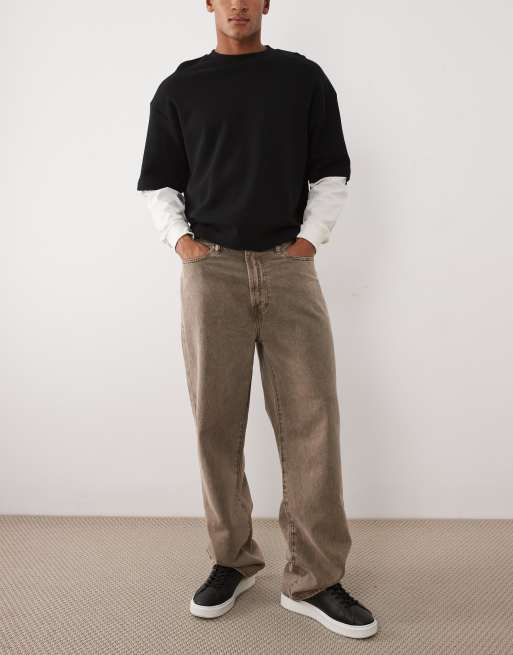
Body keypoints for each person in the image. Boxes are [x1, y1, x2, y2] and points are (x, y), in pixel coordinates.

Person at [136, 0, 377, 640]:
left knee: (312, 418)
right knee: (215, 419)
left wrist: (309, 241)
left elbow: (331, 170)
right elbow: (159, 182)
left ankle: (315, 580)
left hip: (287, 266)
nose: (239, 3)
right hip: (210, 268)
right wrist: (182, 243)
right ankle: (232, 560)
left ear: (267, 2)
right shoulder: (181, 87)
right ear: (209, 3)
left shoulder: (302, 78)